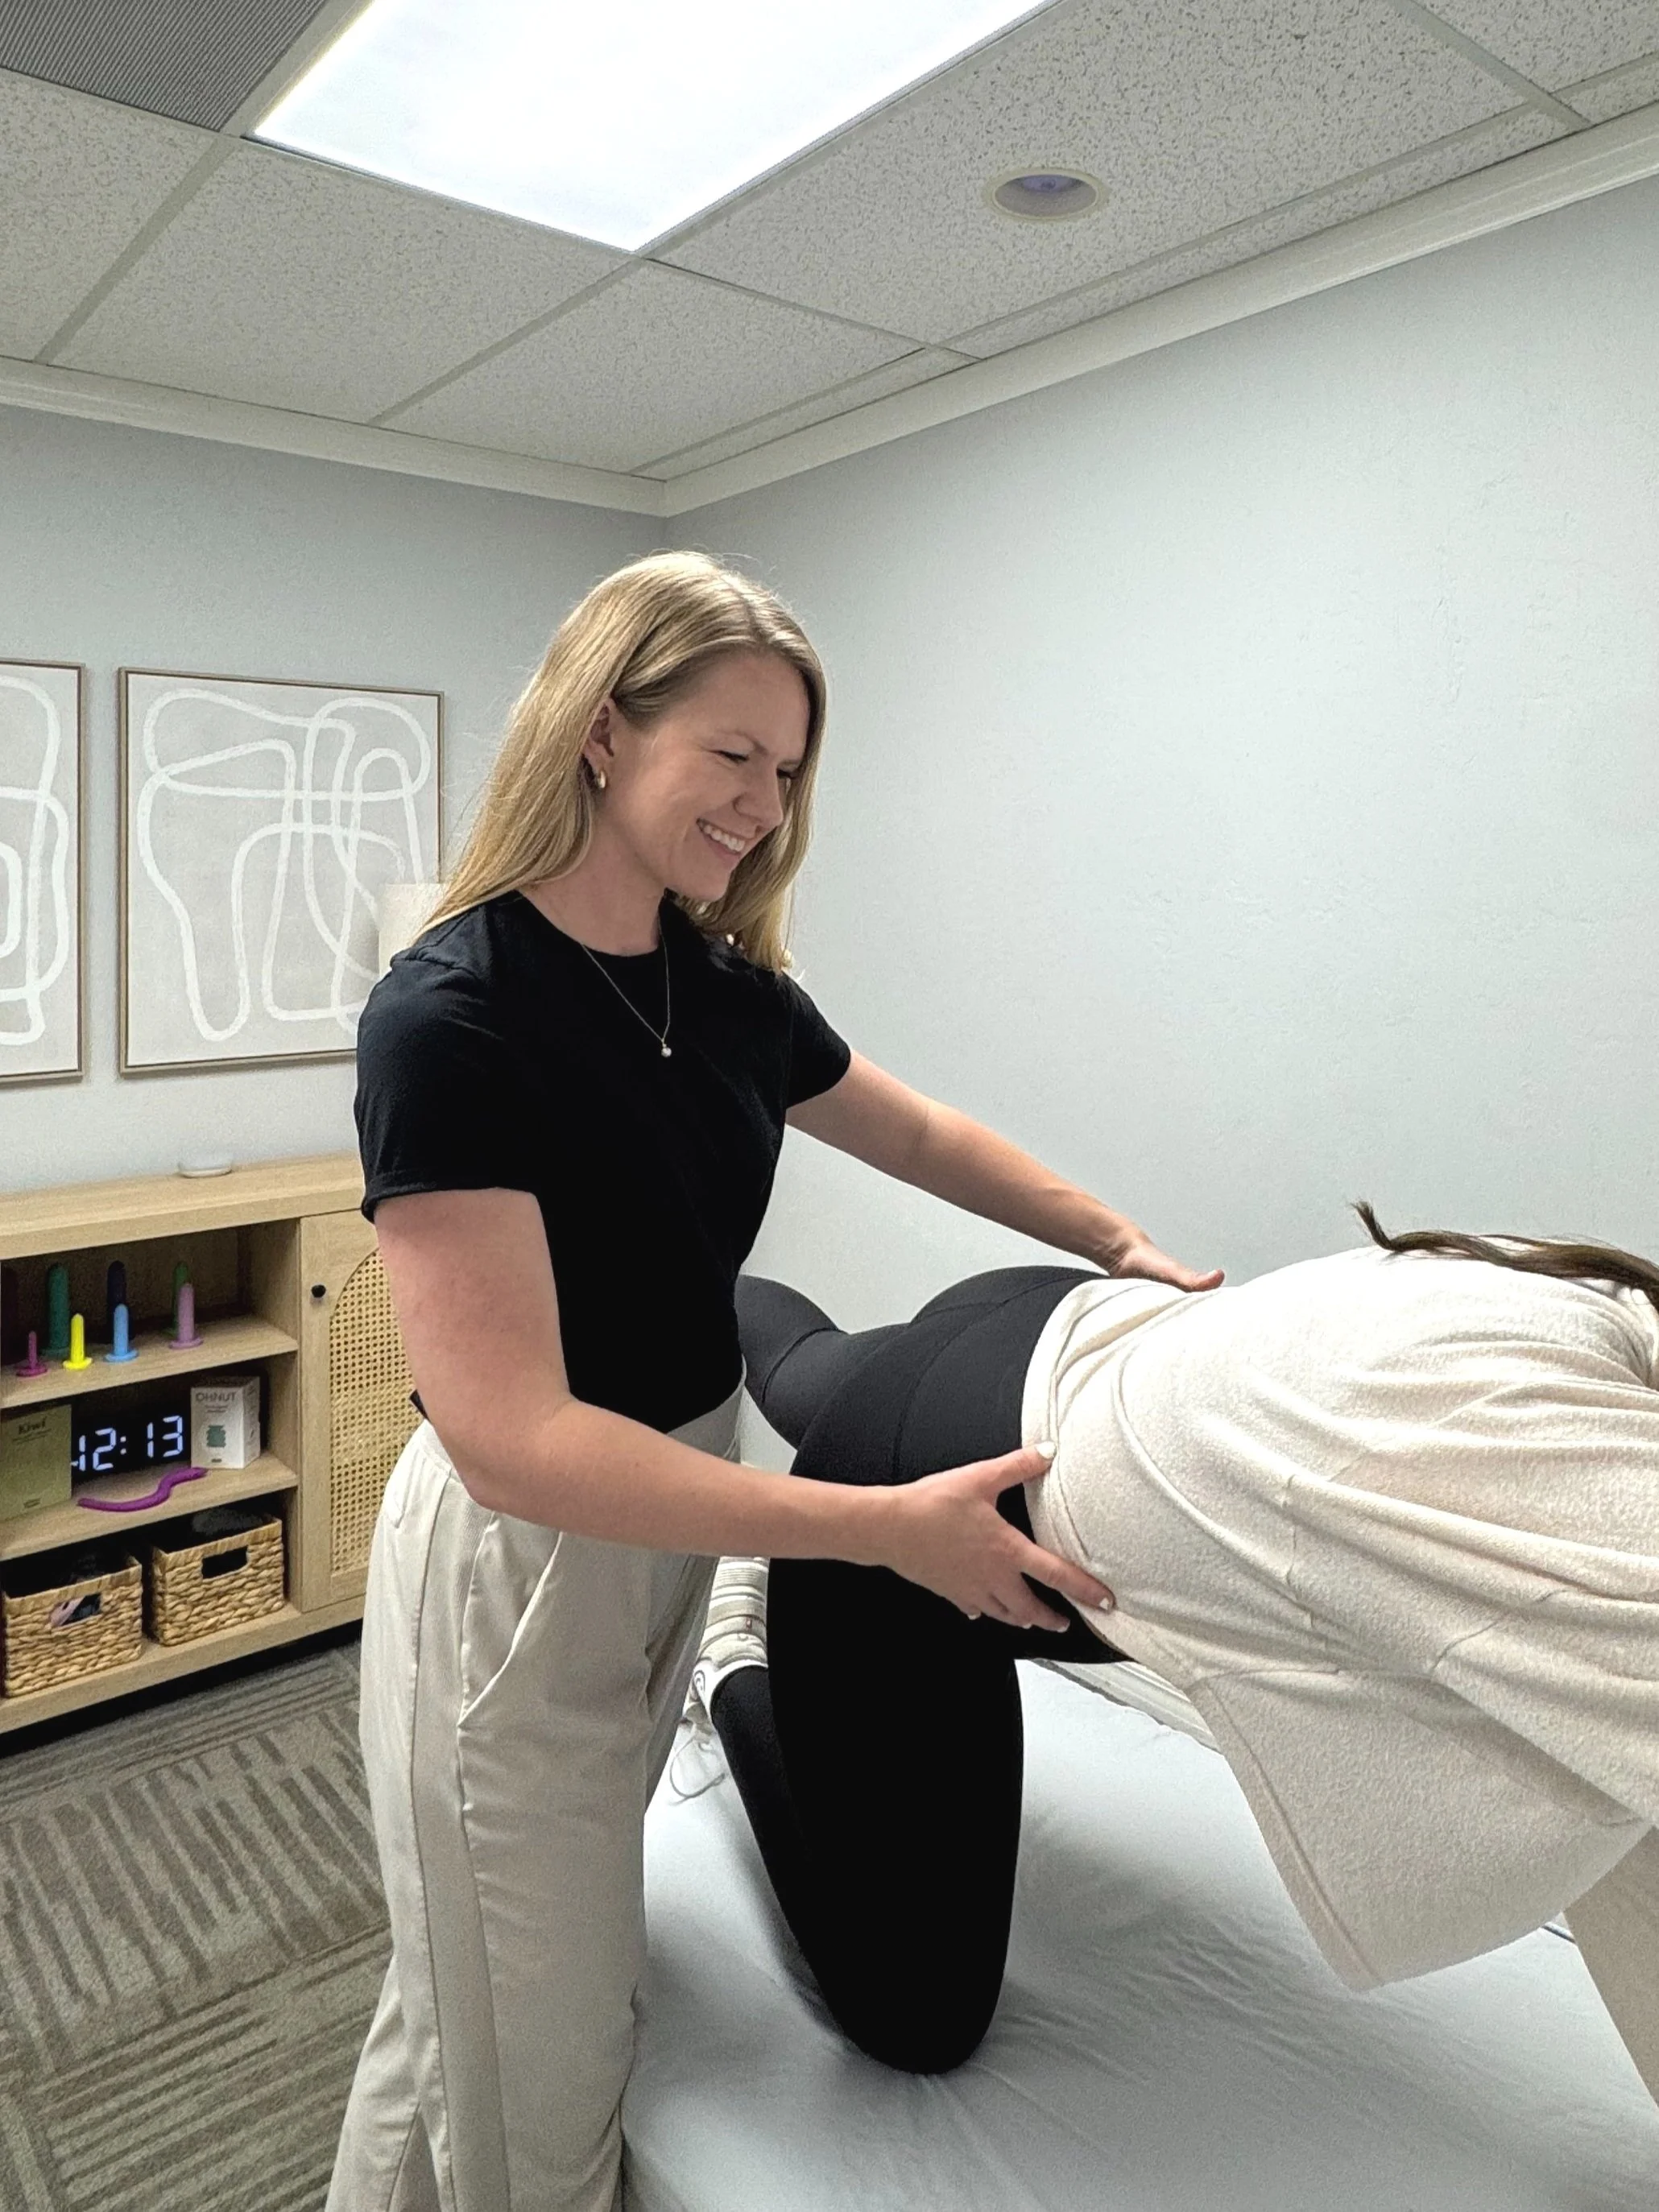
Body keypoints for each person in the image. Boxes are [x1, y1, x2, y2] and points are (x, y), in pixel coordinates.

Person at [327, 550, 1219, 2212]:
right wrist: (870, 1525)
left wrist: (1121, 1239)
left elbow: (919, 1130)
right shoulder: (453, 1018)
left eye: (788, 769)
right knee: (544, 2056)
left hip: (674, 1504)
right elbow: (515, 1438)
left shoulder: (719, 988)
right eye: (729, 753)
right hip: (520, 1561)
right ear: (603, 730)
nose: (762, 801)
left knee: (466, 1996)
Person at [700, 1211, 1659, 2101]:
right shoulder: (1572, 1478)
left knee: (812, 1371)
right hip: (908, 1543)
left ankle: (686, 1259)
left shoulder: (1600, 1295)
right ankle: (737, 1647)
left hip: (1050, 1318)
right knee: (916, 2021)